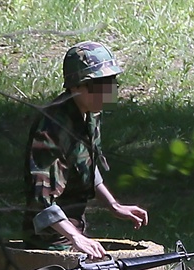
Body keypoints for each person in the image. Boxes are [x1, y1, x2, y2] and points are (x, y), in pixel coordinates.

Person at [23, 41, 148, 258]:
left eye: (111, 83)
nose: (108, 93)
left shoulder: (90, 113)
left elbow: (85, 165)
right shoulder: (52, 128)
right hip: (51, 240)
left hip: (74, 230)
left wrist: (113, 205)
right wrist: (75, 238)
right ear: (76, 87)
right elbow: (41, 199)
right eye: (100, 86)